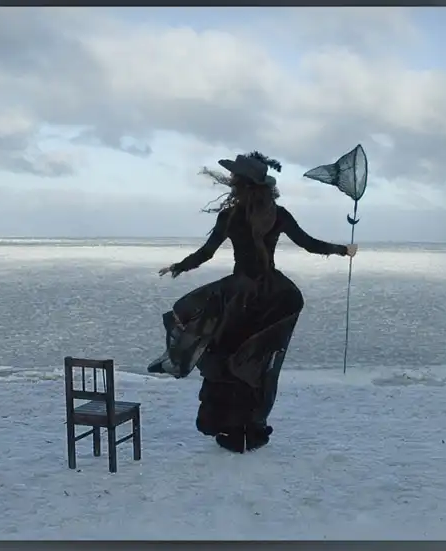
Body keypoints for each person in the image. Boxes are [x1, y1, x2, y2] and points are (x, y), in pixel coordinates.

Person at [148, 151, 358, 454]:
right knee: (255, 362)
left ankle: (230, 429)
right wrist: (343, 250)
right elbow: (309, 244)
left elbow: (206, 253)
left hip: (238, 296)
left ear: (240, 185)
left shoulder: (230, 217)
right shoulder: (278, 214)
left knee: (227, 358)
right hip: (272, 295)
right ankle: (250, 430)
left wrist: (179, 267)